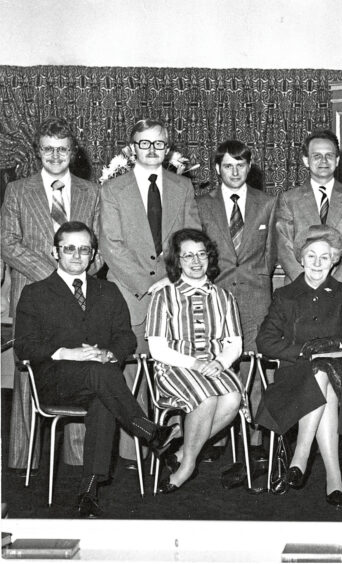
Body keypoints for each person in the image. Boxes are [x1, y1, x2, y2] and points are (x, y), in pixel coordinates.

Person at [13, 222, 177, 517]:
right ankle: (147, 430)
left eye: (84, 249)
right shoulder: (35, 293)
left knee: (102, 397)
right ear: (55, 252)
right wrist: (67, 353)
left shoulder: (108, 291)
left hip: (103, 383)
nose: (77, 255)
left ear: (93, 255)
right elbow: (24, 347)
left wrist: (110, 353)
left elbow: (125, 337)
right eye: (69, 248)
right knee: (100, 376)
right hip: (56, 380)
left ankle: (88, 490)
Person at [1, 117, 101, 475]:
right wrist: (54, 276)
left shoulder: (92, 192)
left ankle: (76, 457)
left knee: (76, 364)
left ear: (72, 153)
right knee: (30, 370)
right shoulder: (17, 190)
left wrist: (78, 274)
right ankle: (23, 455)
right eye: (47, 149)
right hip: (31, 292)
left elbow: (99, 246)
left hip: (79, 292)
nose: (55, 155)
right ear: (38, 152)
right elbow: (8, 242)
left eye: (62, 149)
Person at [100, 118, 201, 466]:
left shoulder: (183, 187)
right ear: (132, 149)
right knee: (131, 372)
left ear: (168, 149)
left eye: (159, 144)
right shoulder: (113, 190)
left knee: (170, 370)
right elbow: (110, 246)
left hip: (173, 293)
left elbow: (192, 239)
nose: (152, 150)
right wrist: (149, 284)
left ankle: (172, 449)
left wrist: (172, 279)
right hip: (129, 295)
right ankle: (135, 454)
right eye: (145, 144)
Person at [254, 225, 342, 507]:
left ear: (334, 259)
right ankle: (334, 477)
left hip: (341, 375)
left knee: (324, 371)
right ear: (301, 258)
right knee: (322, 378)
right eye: (312, 256)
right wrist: (304, 351)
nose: (318, 263)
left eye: (325, 257)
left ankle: (301, 455)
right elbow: (265, 342)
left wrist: (334, 345)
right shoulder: (285, 296)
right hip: (294, 377)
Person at [146, 229, 246, 493]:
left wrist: (221, 363)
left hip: (213, 364)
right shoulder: (164, 296)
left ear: (209, 258)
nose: (196, 261)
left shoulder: (224, 297)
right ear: (177, 261)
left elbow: (234, 344)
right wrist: (195, 364)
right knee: (206, 398)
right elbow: (157, 348)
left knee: (233, 399)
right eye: (187, 256)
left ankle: (180, 449)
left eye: (201, 254)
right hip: (175, 366)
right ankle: (187, 466)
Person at [196, 140, 278, 459]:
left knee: (254, 370)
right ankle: (214, 440)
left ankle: (254, 442)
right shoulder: (202, 204)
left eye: (241, 166)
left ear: (249, 167)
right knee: (217, 366)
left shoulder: (267, 203)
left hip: (257, 298)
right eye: (228, 166)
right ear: (217, 168)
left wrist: (256, 277)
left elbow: (271, 253)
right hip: (216, 298)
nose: (235, 172)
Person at [276, 130, 342, 294]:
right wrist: (308, 284)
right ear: (306, 160)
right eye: (317, 156)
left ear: (337, 160)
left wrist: (332, 287)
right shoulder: (288, 199)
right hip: (299, 291)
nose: (324, 161)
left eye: (329, 155)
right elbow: (285, 249)